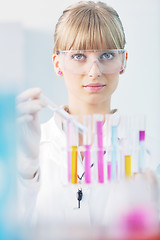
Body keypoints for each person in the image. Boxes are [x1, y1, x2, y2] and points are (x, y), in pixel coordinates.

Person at [17, 1, 159, 229]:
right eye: (79, 56)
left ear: (123, 61)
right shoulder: (33, 147)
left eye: (106, 55)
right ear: (58, 63)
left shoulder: (150, 154)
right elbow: (13, 227)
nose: (94, 71)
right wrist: (25, 170)